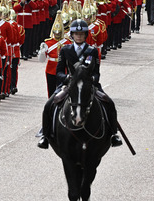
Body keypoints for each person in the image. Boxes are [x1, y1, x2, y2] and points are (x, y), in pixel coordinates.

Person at [37, 19, 121, 149]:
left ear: (85, 35)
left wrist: (92, 79)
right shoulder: (65, 50)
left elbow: (96, 73)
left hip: (88, 84)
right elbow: (59, 72)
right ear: (72, 35)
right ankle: (45, 135)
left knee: (109, 103)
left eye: (82, 34)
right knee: (49, 104)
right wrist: (67, 79)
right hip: (69, 84)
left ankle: (113, 134)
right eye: (76, 34)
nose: (79, 36)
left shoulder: (91, 50)